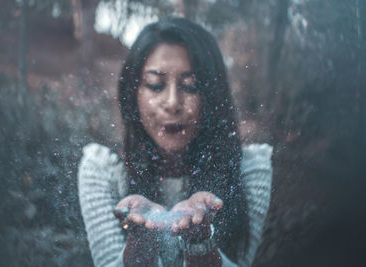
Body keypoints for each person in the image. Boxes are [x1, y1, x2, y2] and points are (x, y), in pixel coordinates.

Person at [78, 17, 272, 267]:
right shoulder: (102, 171)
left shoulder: (249, 169)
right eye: (156, 85)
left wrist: (200, 244)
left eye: (191, 87)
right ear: (132, 92)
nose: (172, 103)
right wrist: (141, 248)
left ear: (212, 97)